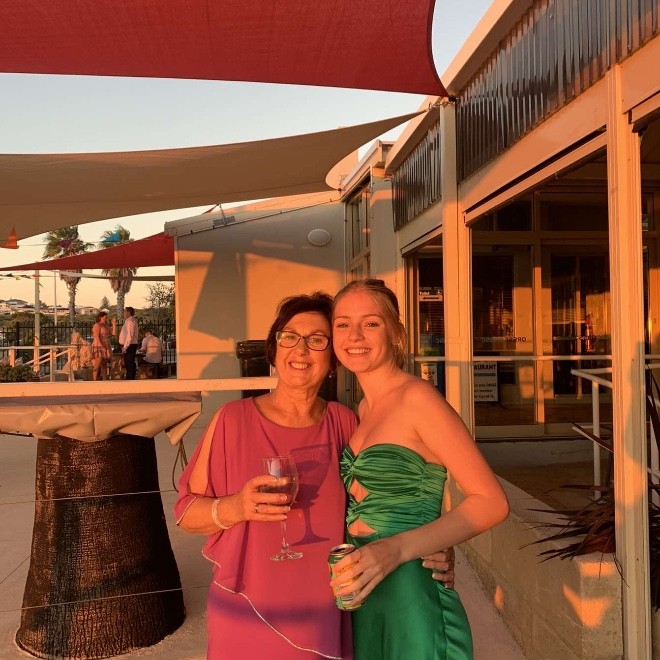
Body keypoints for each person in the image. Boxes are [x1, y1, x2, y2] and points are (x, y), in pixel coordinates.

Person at [174, 292, 455, 659]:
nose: (301, 349)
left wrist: (435, 543)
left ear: (334, 358)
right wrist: (236, 507)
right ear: (274, 349)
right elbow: (186, 513)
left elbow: (387, 500)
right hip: (246, 610)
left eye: (317, 340)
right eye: (289, 336)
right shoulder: (231, 420)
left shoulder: (345, 422)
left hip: (324, 607)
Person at [330, 279, 510, 660]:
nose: (354, 335)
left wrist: (397, 549)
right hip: (365, 588)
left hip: (410, 589)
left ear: (396, 333)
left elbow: (491, 502)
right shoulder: (362, 409)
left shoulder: (418, 398)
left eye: (371, 323)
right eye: (343, 324)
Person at [118, 306, 139, 380]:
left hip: (129, 345)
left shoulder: (130, 322)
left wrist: (125, 347)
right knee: (128, 362)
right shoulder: (129, 321)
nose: (123, 313)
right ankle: (130, 377)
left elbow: (130, 335)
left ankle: (130, 378)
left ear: (129, 312)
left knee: (129, 362)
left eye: (125, 311)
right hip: (129, 345)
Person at [91, 312, 112, 381]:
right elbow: (96, 336)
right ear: (100, 317)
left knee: (104, 363)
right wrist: (101, 346)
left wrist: (114, 324)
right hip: (99, 344)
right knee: (98, 362)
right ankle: (94, 379)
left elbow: (111, 334)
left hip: (106, 344)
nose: (106, 318)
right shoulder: (97, 325)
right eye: (104, 317)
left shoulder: (106, 326)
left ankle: (104, 379)